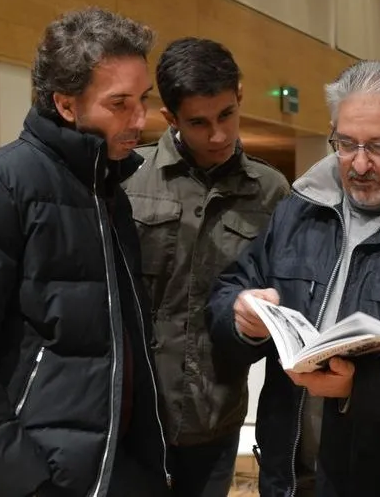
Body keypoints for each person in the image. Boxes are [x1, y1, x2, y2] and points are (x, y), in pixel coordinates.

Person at [0, 7, 171, 497]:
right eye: (119, 104)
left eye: (143, 100)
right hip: (43, 476)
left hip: (120, 466)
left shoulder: (106, 189)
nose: (140, 119)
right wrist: (24, 482)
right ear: (66, 104)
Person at [207, 60, 380, 497]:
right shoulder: (296, 213)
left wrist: (362, 386)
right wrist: (239, 315)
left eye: (379, 146)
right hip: (292, 478)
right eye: (345, 143)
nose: (359, 163)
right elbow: (231, 288)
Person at [123, 37, 290, 497]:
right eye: (198, 123)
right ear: (170, 119)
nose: (217, 135)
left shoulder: (271, 191)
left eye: (226, 116)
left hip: (216, 414)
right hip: (134, 413)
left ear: (240, 96)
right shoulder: (127, 179)